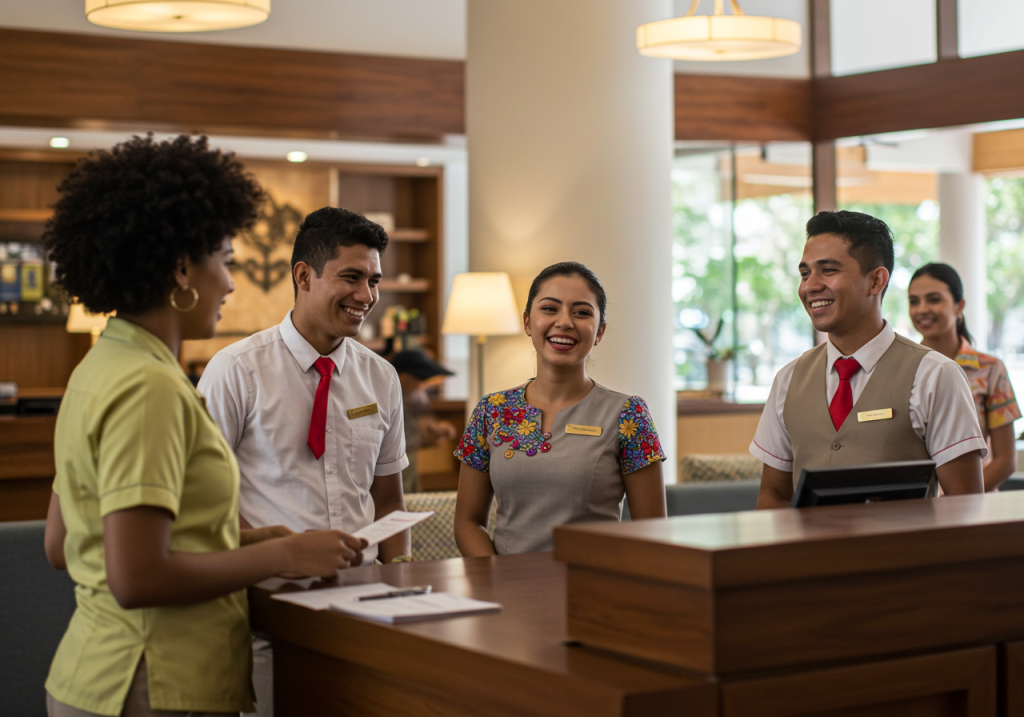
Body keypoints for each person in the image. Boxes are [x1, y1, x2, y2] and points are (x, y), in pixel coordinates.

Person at [41, 135, 364, 717]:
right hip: (155, 683)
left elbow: (65, 542)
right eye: (225, 261)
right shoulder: (150, 388)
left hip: (98, 674)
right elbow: (137, 576)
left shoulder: (101, 367)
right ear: (184, 270)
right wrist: (280, 558)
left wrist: (248, 539)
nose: (232, 284)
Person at [198, 206, 410, 717]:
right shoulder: (236, 370)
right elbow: (205, 499)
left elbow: (387, 496)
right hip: (266, 611)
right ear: (303, 276)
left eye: (375, 281)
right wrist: (279, 555)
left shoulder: (381, 377)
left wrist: (399, 575)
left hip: (363, 609)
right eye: (352, 278)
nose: (367, 296)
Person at [751, 210, 987, 509]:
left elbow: (964, 505)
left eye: (828, 270)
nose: (809, 286)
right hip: (810, 557)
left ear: (876, 281)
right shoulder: (788, 379)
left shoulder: (935, 375)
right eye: (805, 273)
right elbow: (773, 495)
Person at [453, 261, 667, 556]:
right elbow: (467, 521)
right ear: (528, 322)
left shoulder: (629, 415)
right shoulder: (491, 411)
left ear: (600, 331)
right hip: (508, 590)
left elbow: (652, 532)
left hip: (590, 590)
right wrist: (496, 578)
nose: (565, 322)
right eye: (550, 309)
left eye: (581, 312)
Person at [909, 262, 1020, 491]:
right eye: (914, 301)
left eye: (934, 299)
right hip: (915, 509)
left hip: (975, 508)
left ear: (959, 306)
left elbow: (1005, 461)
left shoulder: (990, 369)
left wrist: (955, 503)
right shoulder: (903, 367)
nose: (922, 309)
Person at [388, 350, 458, 494]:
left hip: (409, 463)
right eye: (421, 380)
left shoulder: (415, 395)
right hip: (390, 470)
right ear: (404, 378)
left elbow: (425, 431)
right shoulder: (388, 399)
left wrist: (439, 431)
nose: (423, 386)